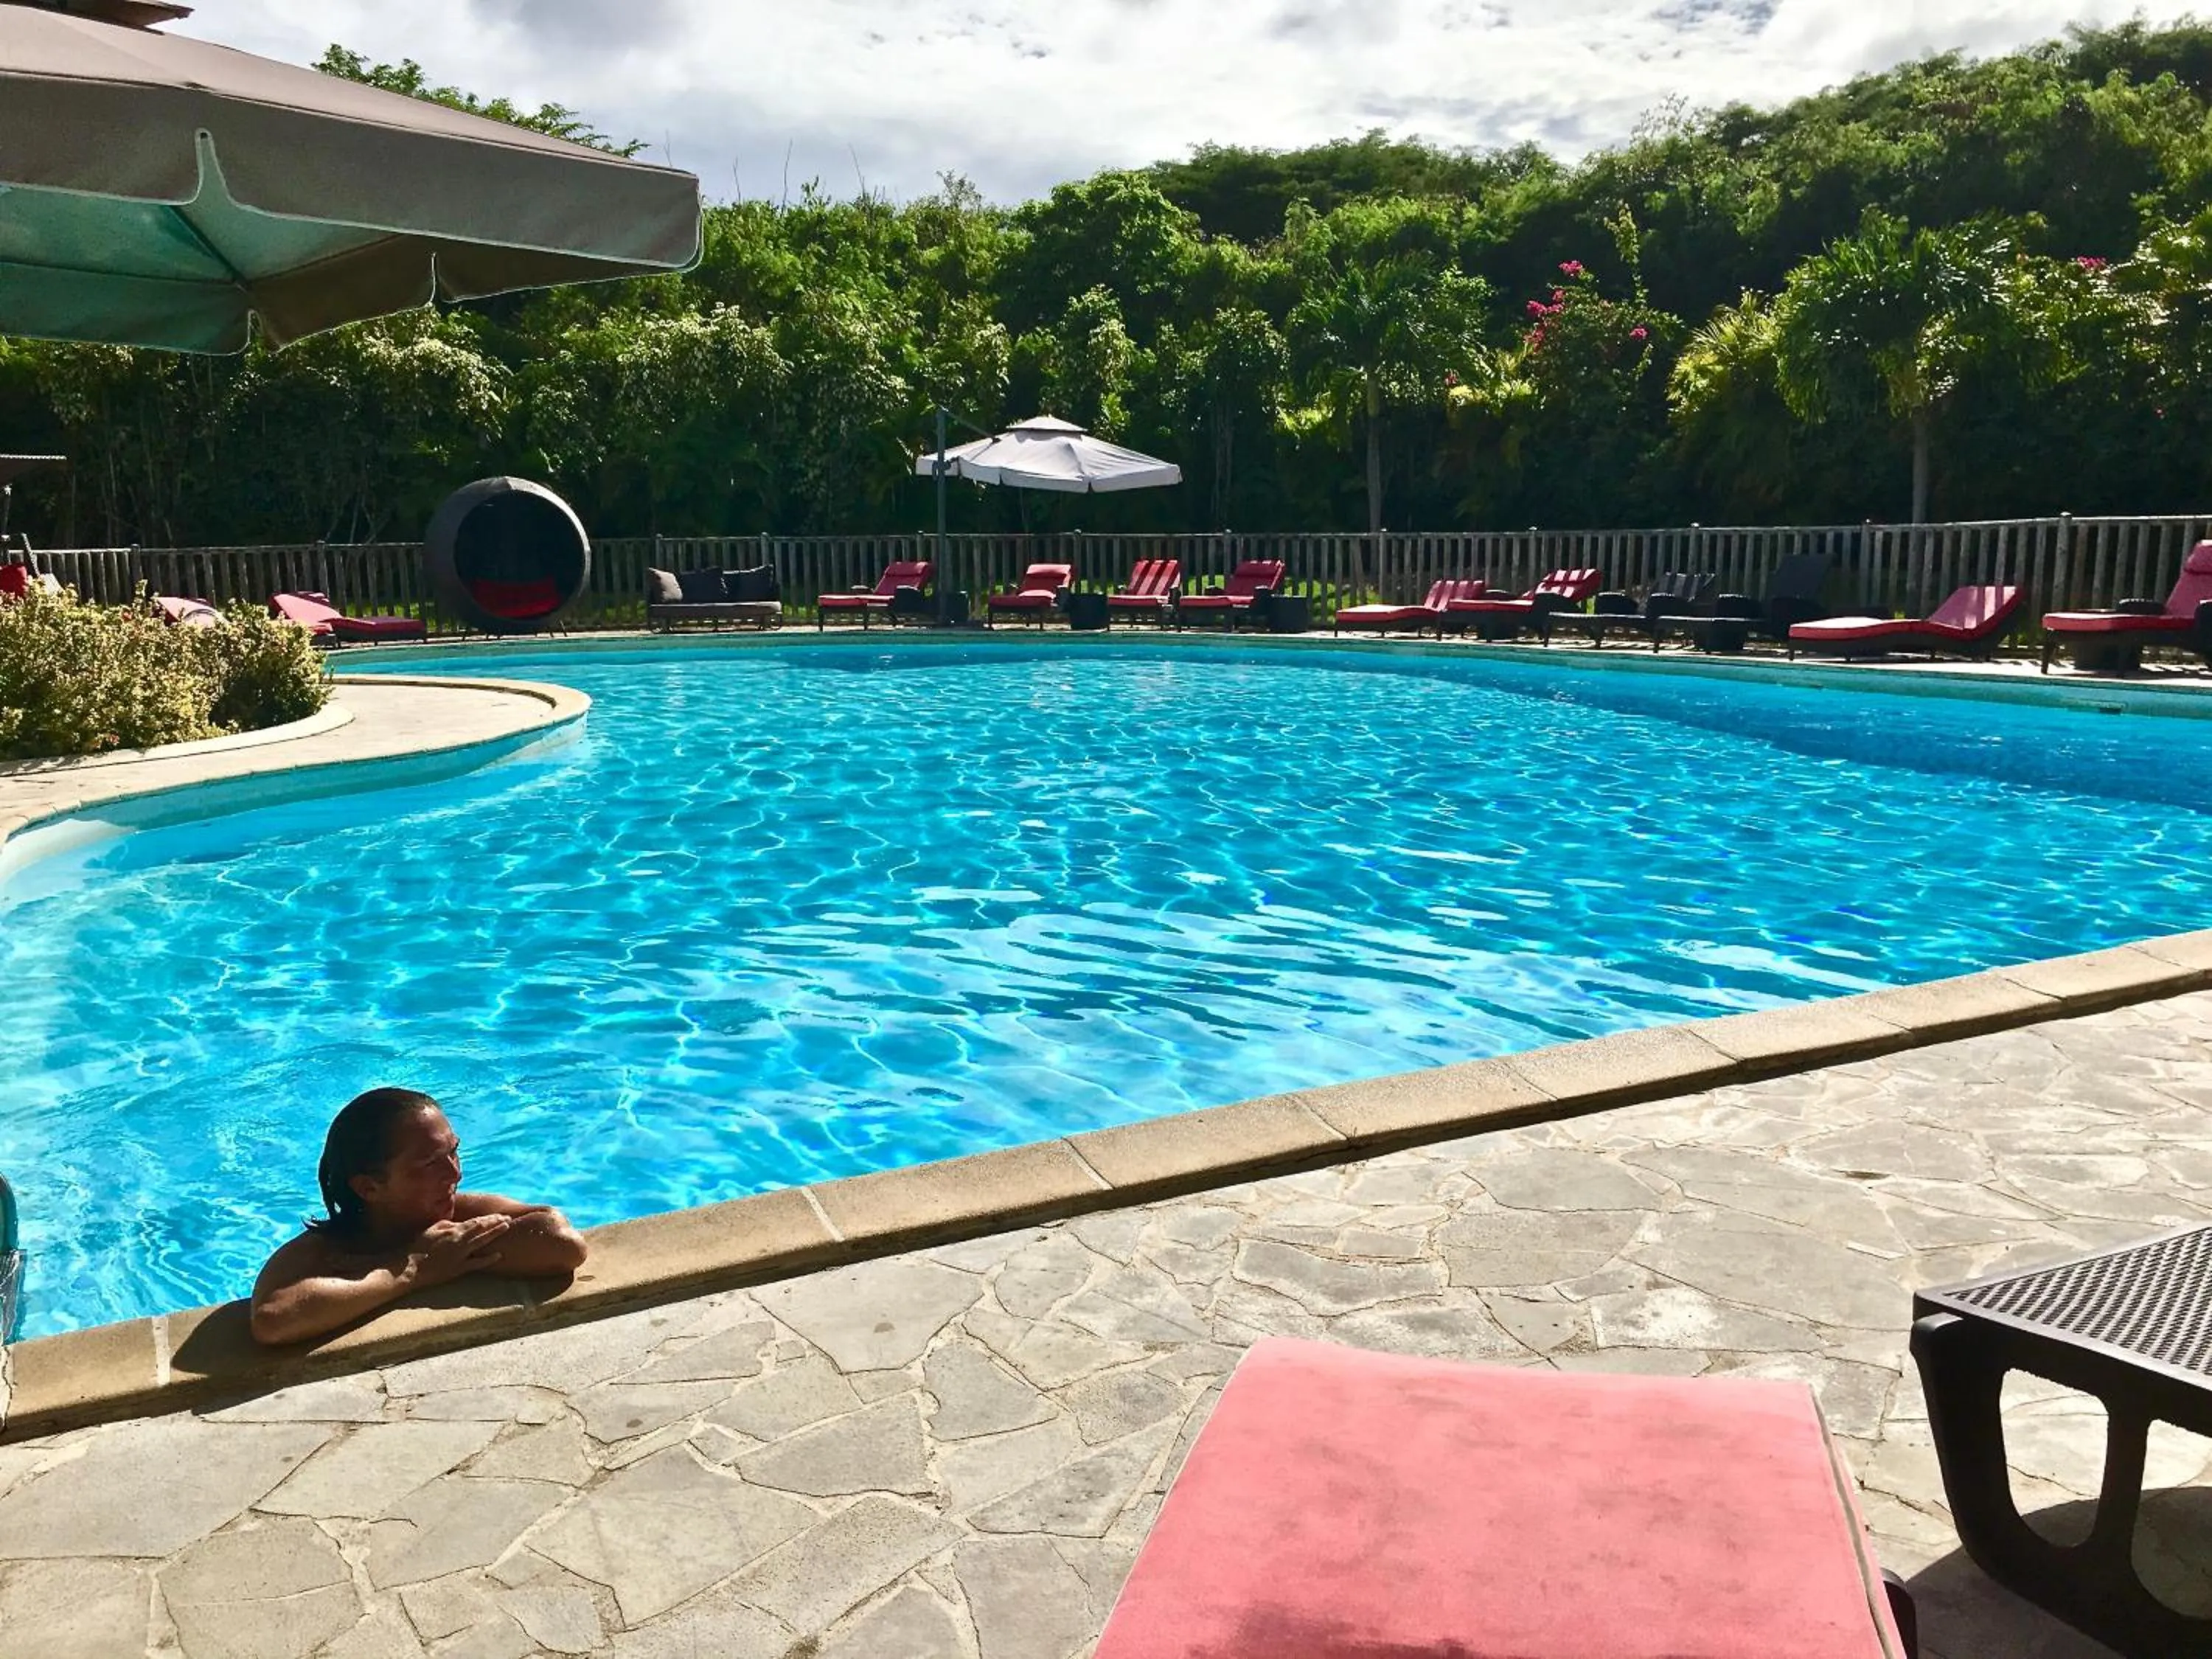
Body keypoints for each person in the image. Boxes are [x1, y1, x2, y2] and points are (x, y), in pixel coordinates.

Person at [249, 1087, 587, 1346]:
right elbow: (274, 1319)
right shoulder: (326, 1250)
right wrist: (409, 1269)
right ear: (369, 1187)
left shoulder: (463, 1216)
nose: (454, 1174)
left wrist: (436, 1258)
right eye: (429, 1164)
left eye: (453, 1152)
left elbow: (562, 1243)